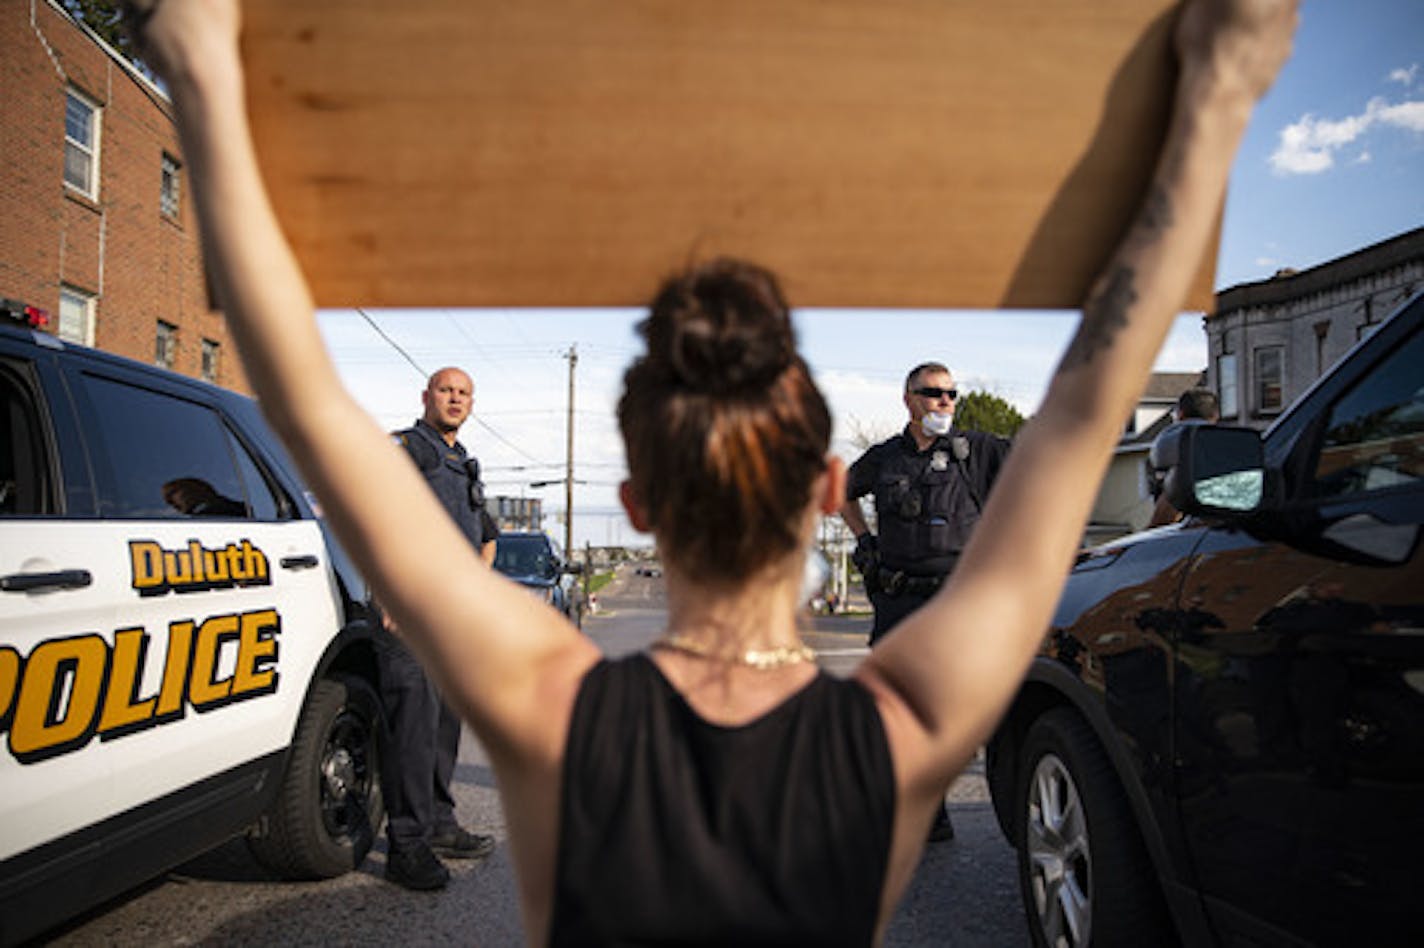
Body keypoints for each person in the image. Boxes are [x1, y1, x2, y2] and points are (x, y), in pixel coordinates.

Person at [127, 0, 1297, 940]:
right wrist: (1216, 98)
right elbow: (1085, 406)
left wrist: (203, 73)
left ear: (637, 508)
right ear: (831, 492)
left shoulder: (550, 705)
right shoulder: (901, 724)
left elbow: (313, 406)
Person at [839, 362, 1010, 840]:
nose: (945, 402)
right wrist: (863, 539)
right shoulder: (885, 458)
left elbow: (1037, 473)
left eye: (952, 394)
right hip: (899, 600)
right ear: (908, 399)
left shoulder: (975, 452)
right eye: (934, 393)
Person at [377, 367, 498, 890]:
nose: (454, 398)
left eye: (463, 393)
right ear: (426, 397)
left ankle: (441, 825)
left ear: (471, 404)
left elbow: (487, 535)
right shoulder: (407, 449)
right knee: (414, 727)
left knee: (444, 724)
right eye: (446, 390)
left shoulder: (464, 463)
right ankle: (406, 846)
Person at [1147, 386, 1222, 527]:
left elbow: (1168, 505)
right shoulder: (1224, 441)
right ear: (1215, 416)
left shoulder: (1165, 440)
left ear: (1180, 414)